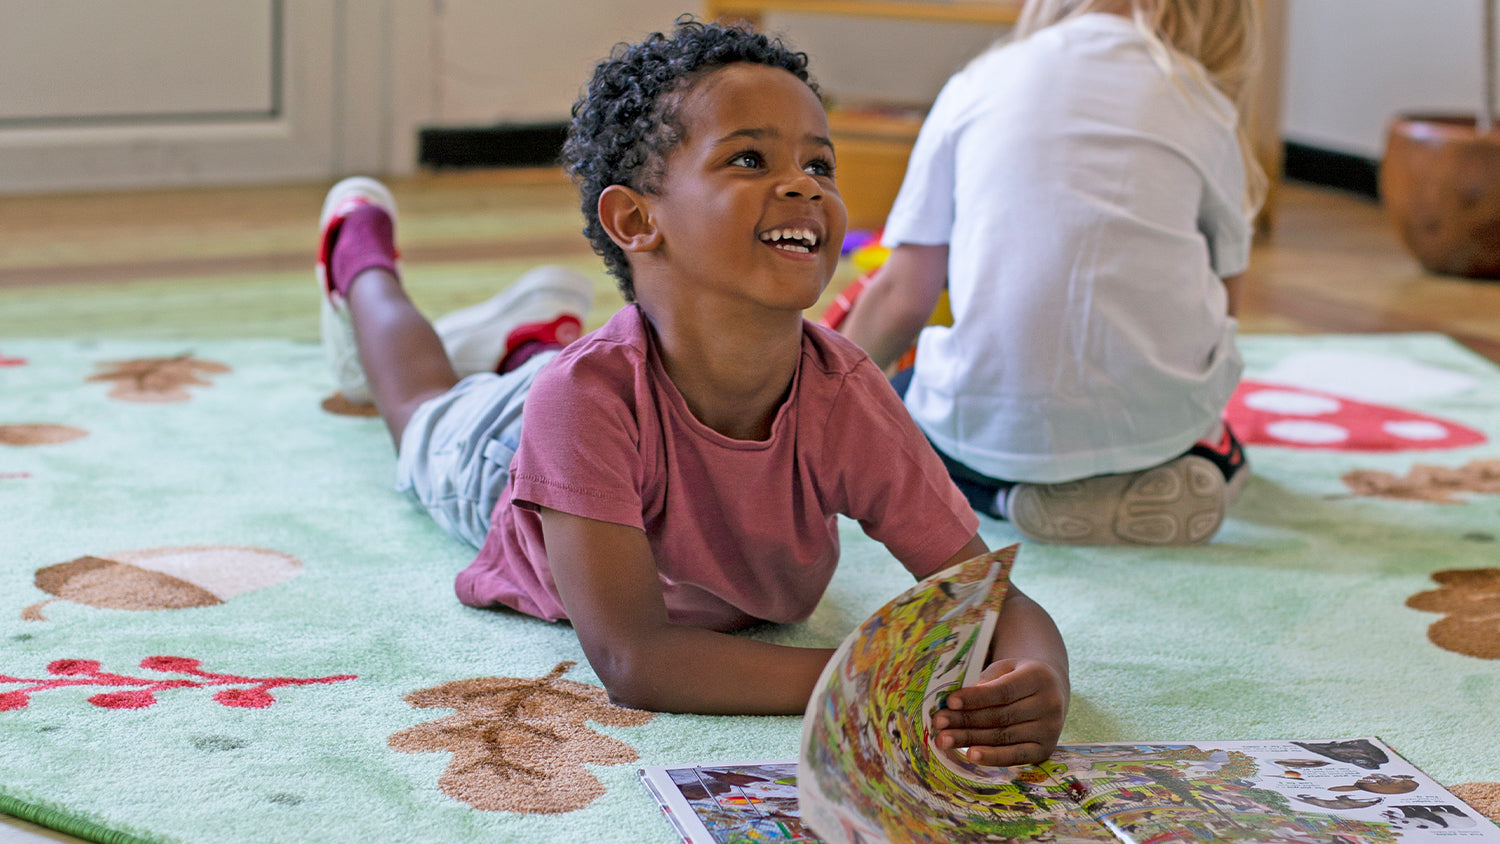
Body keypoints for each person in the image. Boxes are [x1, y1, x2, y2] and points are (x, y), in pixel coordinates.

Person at [313, 18, 1068, 767]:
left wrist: (1036, 680)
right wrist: (883, 679)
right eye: (749, 157)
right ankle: (361, 257)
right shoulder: (583, 399)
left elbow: (993, 602)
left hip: (590, 389)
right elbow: (637, 658)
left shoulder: (850, 396)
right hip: (500, 463)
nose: (804, 183)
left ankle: (527, 340)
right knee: (413, 407)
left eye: (820, 163)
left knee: (549, 374)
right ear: (636, 220)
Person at [836, 0, 1263, 547]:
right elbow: (1227, 303)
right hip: (1157, 433)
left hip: (987, 431)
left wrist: (821, 405)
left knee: (903, 416)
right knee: (1221, 444)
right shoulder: (1201, 102)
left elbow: (902, 295)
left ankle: (1002, 498)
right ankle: (1181, 466)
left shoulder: (977, 82)